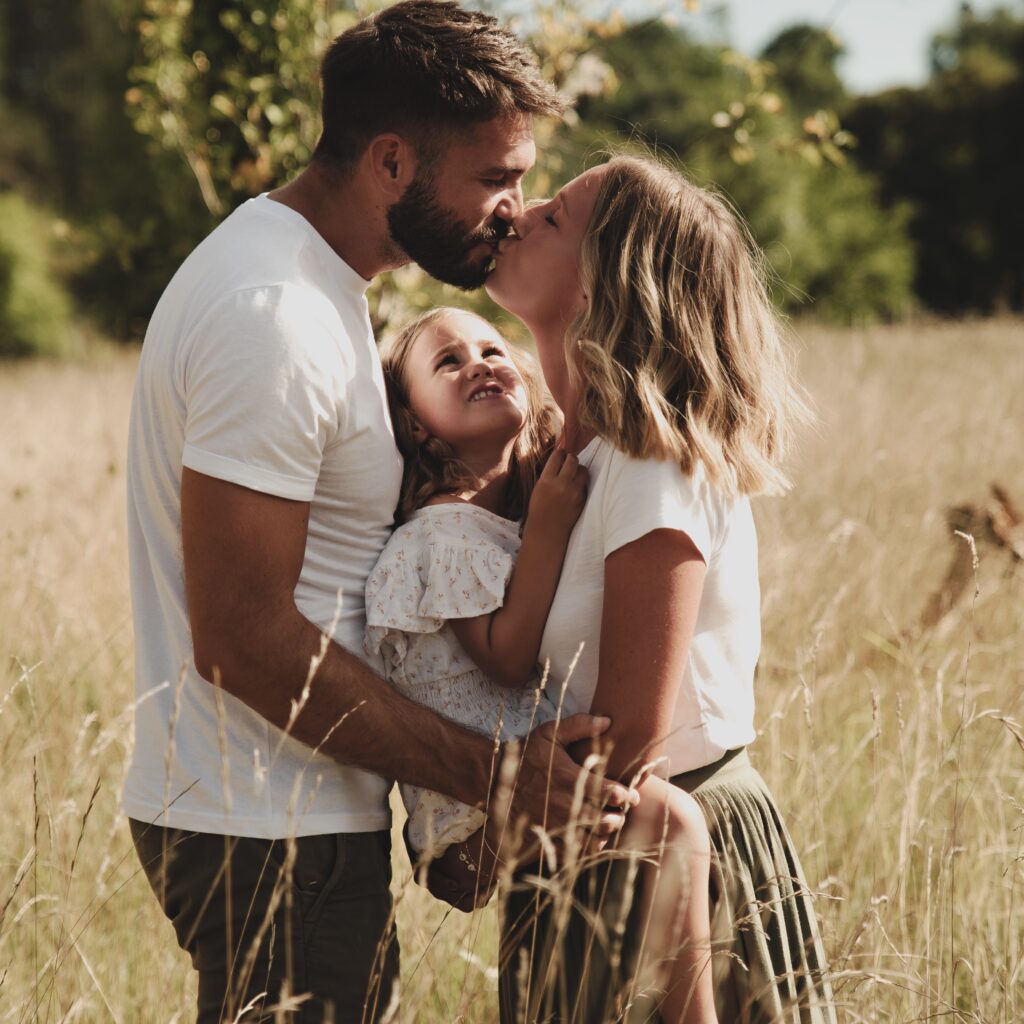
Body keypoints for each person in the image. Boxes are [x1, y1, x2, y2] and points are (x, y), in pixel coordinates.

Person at [123, 5, 633, 1022]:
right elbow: (243, 636)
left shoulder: (319, 290)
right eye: (495, 178)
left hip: (294, 817)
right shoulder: (268, 312)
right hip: (263, 827)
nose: (511, 208)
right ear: (392, 162)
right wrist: (489, 777)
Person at [485, 154, 838, 1023]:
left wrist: (495, 811)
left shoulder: (649, 465)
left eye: (555, 218)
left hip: (662, 849)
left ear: (606, 285)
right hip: (603, 833)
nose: (520, 216)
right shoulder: (580, 459)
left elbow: (631, 730)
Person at [364, 306, 719, 1022]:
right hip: (473, 801)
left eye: (492, 347)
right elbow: (505, 657)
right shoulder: (442, 532)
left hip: (526, 768)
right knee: (675, 822)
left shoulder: (512, 510)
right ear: (416, 426)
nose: (480, 363)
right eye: (448, 362)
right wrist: (551, 528)